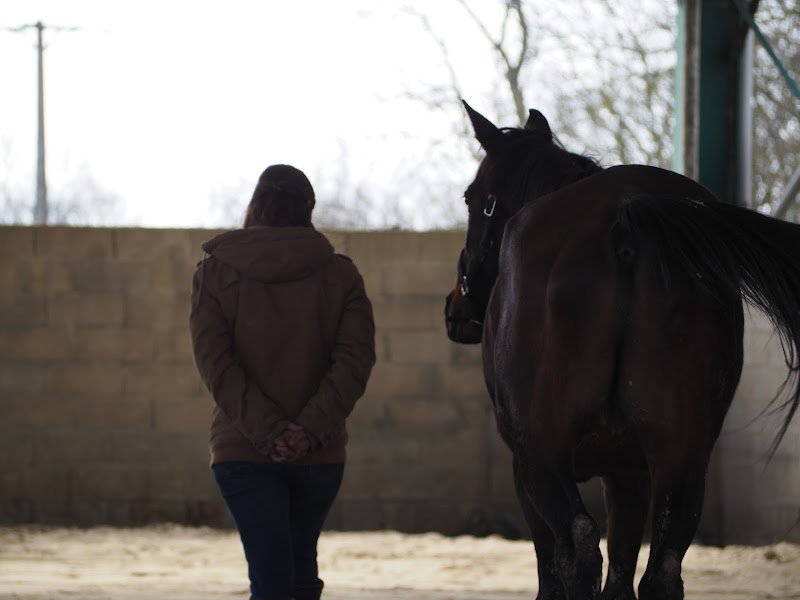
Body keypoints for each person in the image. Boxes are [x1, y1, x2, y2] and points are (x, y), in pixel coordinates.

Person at [190, 164, 376, 600]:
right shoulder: (342, 276)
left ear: (254, 205)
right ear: (309, 209)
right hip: (319, 454)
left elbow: (216, 364)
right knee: (297, 574)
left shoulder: (214, 274)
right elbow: (355, 361)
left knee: (274, 580)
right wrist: (308, 430)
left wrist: (269, 431)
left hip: (242, 451)